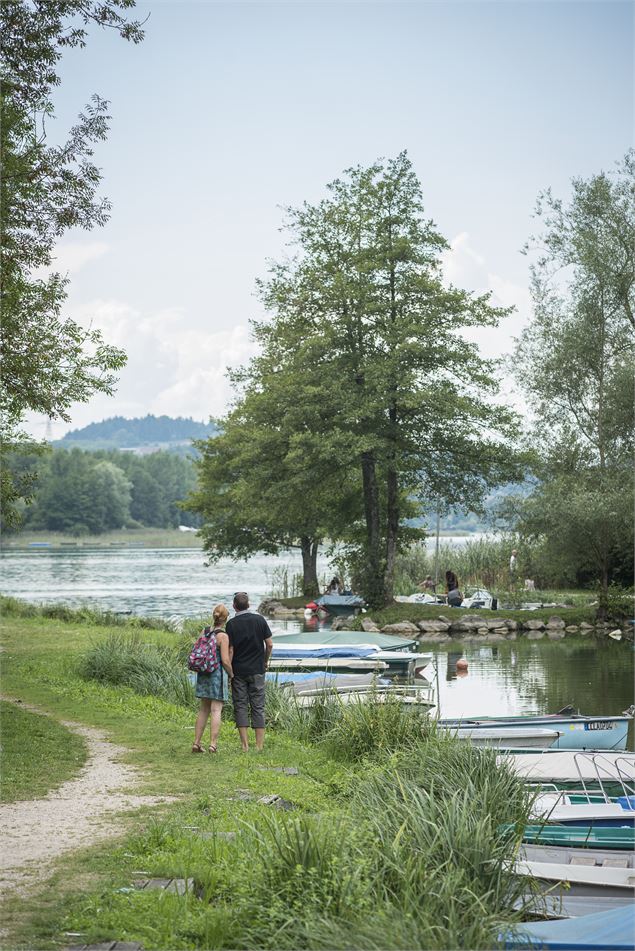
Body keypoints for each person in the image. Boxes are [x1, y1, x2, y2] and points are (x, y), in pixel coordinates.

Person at [226, 591, 273, 752]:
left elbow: (231, 650)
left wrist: (229, 672)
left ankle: (245, 745)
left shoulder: (231, 624)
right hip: (257, 670)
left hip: (238, 671)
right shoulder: (259, 620)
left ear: (234, 606)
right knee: (258, 706)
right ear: (249, 604)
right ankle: (259, 746)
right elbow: (270, 644)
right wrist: (265, 661)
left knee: (240, 705)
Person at [192, 603, 233, 754]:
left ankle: (196, 743)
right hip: (216, 674)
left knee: (203, 709)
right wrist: (231, 674)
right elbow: (225, 660)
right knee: (216, 710)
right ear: (225, 619)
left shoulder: (205, 631)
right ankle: (213, 745)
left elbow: (197, 649)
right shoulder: (223, 636)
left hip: (203, 673)